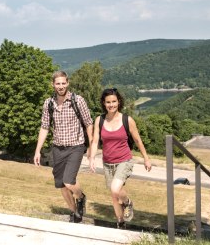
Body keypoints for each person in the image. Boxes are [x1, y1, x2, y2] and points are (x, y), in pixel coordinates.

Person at [34, 70, 93, 223]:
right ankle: (75, 214)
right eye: (57, 83)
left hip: (76, 146)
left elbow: (88, 123)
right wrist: (38, 150)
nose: (60, 86)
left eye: (63, 83)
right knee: (61, 185)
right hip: (58, 148)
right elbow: (45, 127)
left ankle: (80, 197)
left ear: (68, 83)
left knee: (68, 181)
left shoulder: (77, 100)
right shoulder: (49, 103)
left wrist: (92, 146)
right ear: (53, 85)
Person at [89, 88, 151, 229]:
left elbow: (138, 140)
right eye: (108, 102)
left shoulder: (127, 120)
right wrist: (92, 158)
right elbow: (95, 141)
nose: (111, 105)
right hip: (108, 163)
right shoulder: (99, 120)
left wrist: (146, 158)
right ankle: (120, 222)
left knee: (115, 189)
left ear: (119, 102)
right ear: (104, 104)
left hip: (124, 160)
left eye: (114, 101)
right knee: (114, 195)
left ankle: (128, 203)